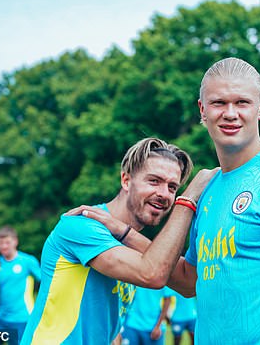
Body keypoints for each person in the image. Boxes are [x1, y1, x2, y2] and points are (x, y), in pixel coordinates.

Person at [73, 57, 260, 344]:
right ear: (203, 110)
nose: (230, 113)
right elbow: (188, 280)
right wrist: (124, 233)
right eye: (219, 103)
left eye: (242, 103)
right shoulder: (208, 189)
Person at [21, 138, 216, 344]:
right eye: (154, 181)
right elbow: (152, 273)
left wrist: (124, 231)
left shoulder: (127, 240)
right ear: (126, 180)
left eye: (172, 187)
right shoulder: (83, 225)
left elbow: (187, 285)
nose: (163, 194)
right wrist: (187, 201)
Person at [0, 226, 41, 345]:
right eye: (0, 243)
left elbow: (45, 281)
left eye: (7, 242)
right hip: (1, 317)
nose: (3, 246)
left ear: (15, 241)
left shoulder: (27, 261)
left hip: (22, 318)